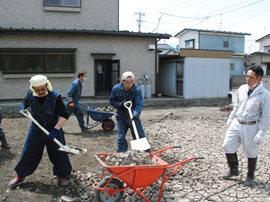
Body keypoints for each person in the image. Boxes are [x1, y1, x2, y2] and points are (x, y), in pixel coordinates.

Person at [9, 75, 72, 187]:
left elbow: (64, 115)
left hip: (53, 128)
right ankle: (20, 174)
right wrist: (23, 106)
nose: (41, 92)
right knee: (29, 151)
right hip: (36, 129)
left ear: (47, 86)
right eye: (37, 90)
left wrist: (55, 130)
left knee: (59, 153)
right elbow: (26, 101)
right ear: (33, 89)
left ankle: (62, 174)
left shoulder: (55, 97)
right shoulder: (31, 94)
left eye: (43, 89)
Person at [222, 65, 270, 187]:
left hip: (250, 126)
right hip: (237, 123)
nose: (248, 79)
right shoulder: (242, 89)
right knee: (227, 145)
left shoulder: (264, 94)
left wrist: (262, 133)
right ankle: (234, 170)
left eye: (251, 77)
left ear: (259, 79)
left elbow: (266, 116)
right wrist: (230, 119)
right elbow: (237, 106)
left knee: (251, 151)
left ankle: (250, 176)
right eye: (247, 76)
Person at [109, 71, 149, 153]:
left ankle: (145, 153)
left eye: (131, 82)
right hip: (121, 117)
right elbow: (112, 101)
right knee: (121, 137)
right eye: (127, 82)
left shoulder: (137, 90)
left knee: (139, 135)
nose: (130, 84)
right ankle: (121, 153)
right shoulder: (116, 89)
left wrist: (135, 114)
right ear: (123, 81)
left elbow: (139, 104)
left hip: (133, 116)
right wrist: (120, 104)